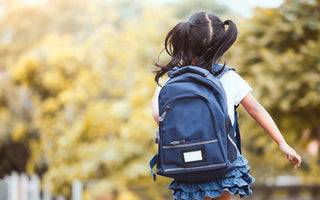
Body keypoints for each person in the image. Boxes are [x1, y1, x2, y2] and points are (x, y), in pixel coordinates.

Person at [151, 11, 301, 200]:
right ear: (220, 47)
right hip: (222, 160)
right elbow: (256, 109)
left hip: (185, 162)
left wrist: (159, 92)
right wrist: (282, 143)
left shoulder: (173, 80)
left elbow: (159, 118)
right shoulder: (227, 77)